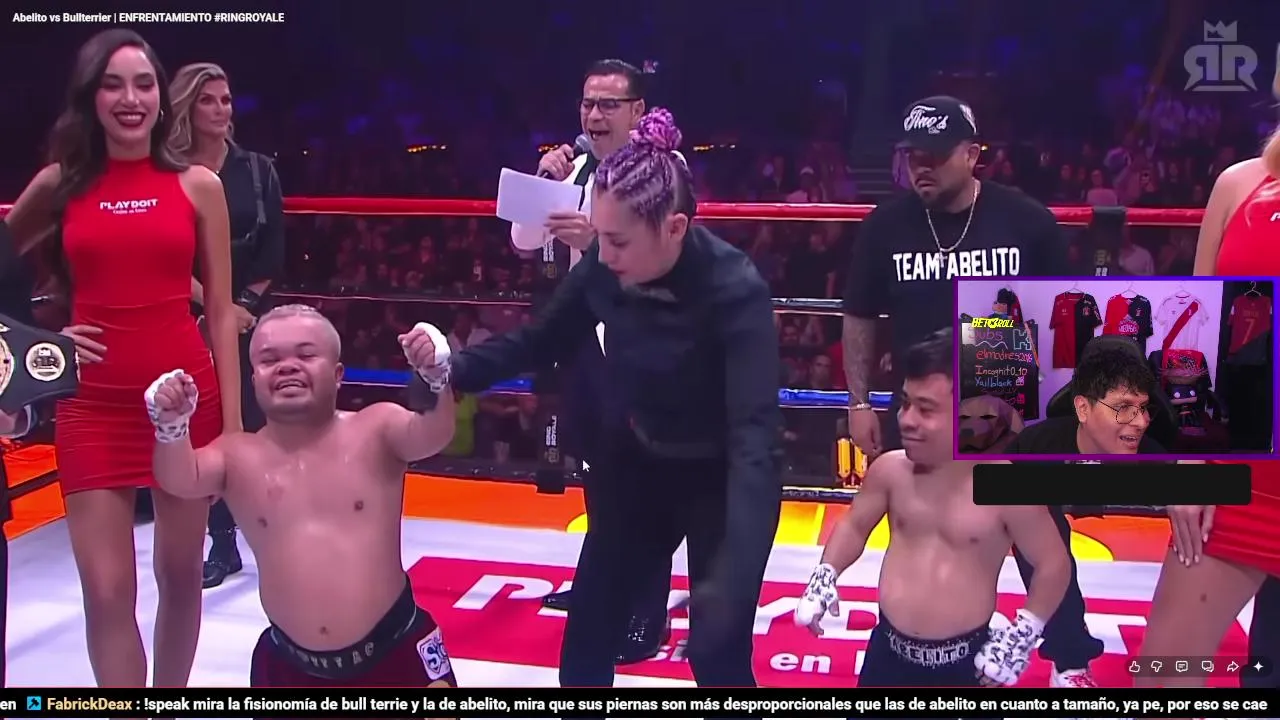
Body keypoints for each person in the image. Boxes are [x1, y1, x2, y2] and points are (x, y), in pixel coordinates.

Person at [445, 108, 782, 690]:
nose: (604, 254)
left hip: (720, 476)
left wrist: (738, 569)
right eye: (600, 236)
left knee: (717, 656)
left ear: (674, 228)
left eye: (618, 240)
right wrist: (456, 370)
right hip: (639, 460)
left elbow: (755, 437)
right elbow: (545, 338)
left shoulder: (734, 287)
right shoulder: (607, 262)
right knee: (585, 646)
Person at [3, 29, 240, 688]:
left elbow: (221, 311)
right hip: (93, 407)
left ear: (162, 97)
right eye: (113, 85)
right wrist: (42, 344)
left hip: (185, 403)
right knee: (106, 592)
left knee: (180, 576)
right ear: (91, 98)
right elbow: (1, 264)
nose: (130, 99)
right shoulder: (60, 185)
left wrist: (234, 429)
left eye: (143, 84)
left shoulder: (198, 185)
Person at [842, 95, 1103, 688]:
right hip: (923, 406)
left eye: (935, 156)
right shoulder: (885, 226)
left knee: (1041, 531)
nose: (921, 168)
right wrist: (858, 400)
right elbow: (859, 314)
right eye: (913, 156)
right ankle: (913, 637)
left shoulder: (1026, 221)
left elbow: (1067, 317)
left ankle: (1068, 655)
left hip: (1006, 400)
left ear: (972, 154)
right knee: (923, 522)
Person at [149, 304, 458, 689]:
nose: (287, 367)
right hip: (291, 665)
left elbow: (433, 433)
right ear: (254, 378)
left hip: (394, 649)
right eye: (269, 360)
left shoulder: (376, 428)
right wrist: (171, 428)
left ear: (338, 374)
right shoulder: (237, 455)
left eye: (306, 355)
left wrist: (434, 378)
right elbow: (181, 479)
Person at [795, 329, 1071, 687]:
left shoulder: (1007, 488)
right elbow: (854, 525)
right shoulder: (890, 470)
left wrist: (1024, 633)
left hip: (966, 664)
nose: (907, 419)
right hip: (887, 655)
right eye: (905, 403)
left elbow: (1053, 564)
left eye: (925, 409)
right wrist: (825, 573)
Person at [510, 58, 673, 663]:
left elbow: (668, 252)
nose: (594, 115)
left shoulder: (662, 169)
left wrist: (594, 241)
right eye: (587, 103)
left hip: (642, 337)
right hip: (586, 341)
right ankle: (600, 585)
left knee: (644, 481)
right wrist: (542, 182)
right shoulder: (573, 166)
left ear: (637, 111)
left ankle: (646, 615)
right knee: (597, 471)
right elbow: (523, 241)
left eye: (608, 104)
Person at [1139, 66, 1280, 688]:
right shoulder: (1241, 185)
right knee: (1163, 677)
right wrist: (1190, 458)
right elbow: (1195, 333)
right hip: (1243, 472)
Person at [169, 61, 286, 590]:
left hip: (250, 314)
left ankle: (270, 531)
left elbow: (273, 249)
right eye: (208, 100)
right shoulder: (169, 173)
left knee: (257, 424)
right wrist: (214, 305)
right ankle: (220, 541)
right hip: (185, 310)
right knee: (206, 421)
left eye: (226, 99)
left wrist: (241, 308)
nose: (221, 109)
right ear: (187, 108)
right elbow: (167, 255)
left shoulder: (257, 170)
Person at [1002, 340, 1164, 454]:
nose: (1142, 422)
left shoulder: (1156, 456)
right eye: (1123, 407)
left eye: (1143, 407)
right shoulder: (1034, 443)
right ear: (1083, 409)